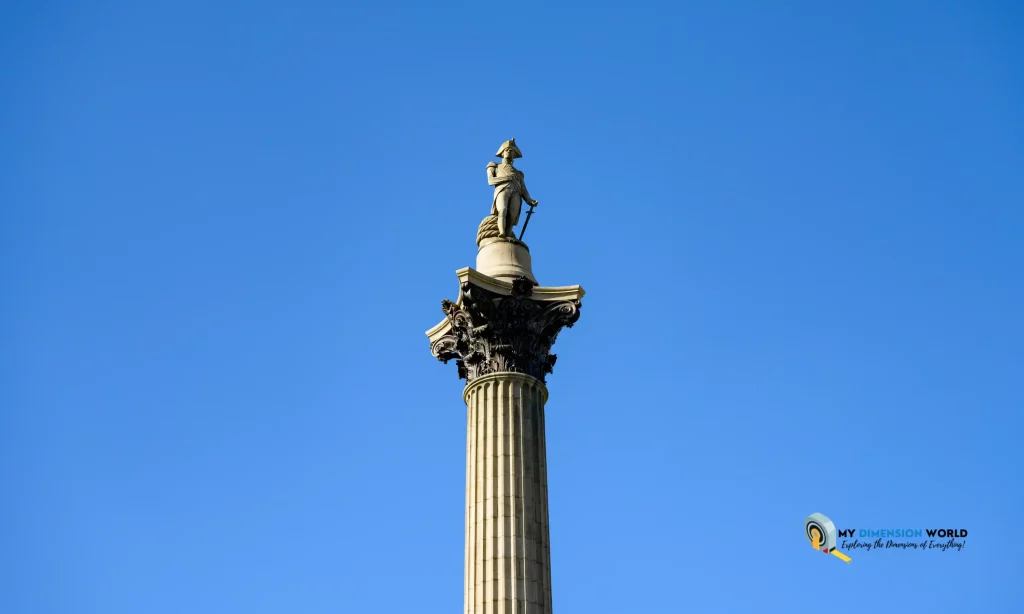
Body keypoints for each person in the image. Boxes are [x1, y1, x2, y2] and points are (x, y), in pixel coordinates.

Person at [487, 138, 539, 240]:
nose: (509, 152)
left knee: (512, 215)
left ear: (515, 155)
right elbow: (491, 181)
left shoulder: (518, 173)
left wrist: (529, 200)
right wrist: (507, 178)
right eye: (507, 150)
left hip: (516, 193)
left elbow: (523, 189)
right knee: (502, 210)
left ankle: (508, 235)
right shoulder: (495, 166)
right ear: (502, 153)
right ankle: (502, 233)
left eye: (512, 150)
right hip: (502, 190)